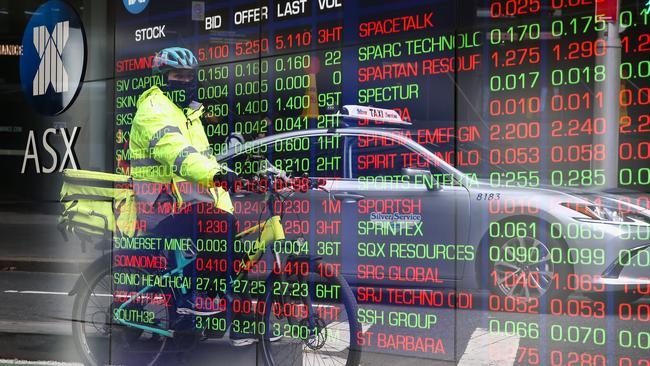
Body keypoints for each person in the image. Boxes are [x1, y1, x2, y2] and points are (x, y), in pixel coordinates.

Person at [127, 47, 262, 347]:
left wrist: (232, 181)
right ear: (163, 79)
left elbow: (205, 160)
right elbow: (179, 155)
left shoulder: (191, 114)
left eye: (190, 77)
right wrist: (215, 177)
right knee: (217, 227)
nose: (185, 82)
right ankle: (195, 302)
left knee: (233, 248)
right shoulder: (153, 109)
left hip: (185, 206)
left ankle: (234, 323)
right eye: (178, 76)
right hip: (159, 208)